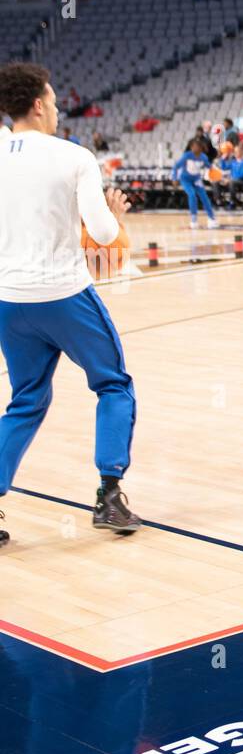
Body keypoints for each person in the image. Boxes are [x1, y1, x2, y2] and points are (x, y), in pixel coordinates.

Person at [0, 62, 141, 547]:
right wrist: (115, 216)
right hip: (63, 295)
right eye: (55, 102)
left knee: (25, 401)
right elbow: (102, 236)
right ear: (38, 104)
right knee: (113, 385)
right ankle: (109, 495)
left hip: (9, 300)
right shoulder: (73, 156)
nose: (59, 111)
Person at [172, 138, 217, 229]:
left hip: (196, 180)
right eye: (192, 146)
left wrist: (216, 174)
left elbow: (209, 166)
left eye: (196, 146)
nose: (194, 148)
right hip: (185, 179)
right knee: (192, 195)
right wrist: (174, 178)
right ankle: (194, 219)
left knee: (204, 197)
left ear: (200, 148)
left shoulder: (204, 157)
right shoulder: (186, 156)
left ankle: (211, 218)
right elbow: (176, 167)